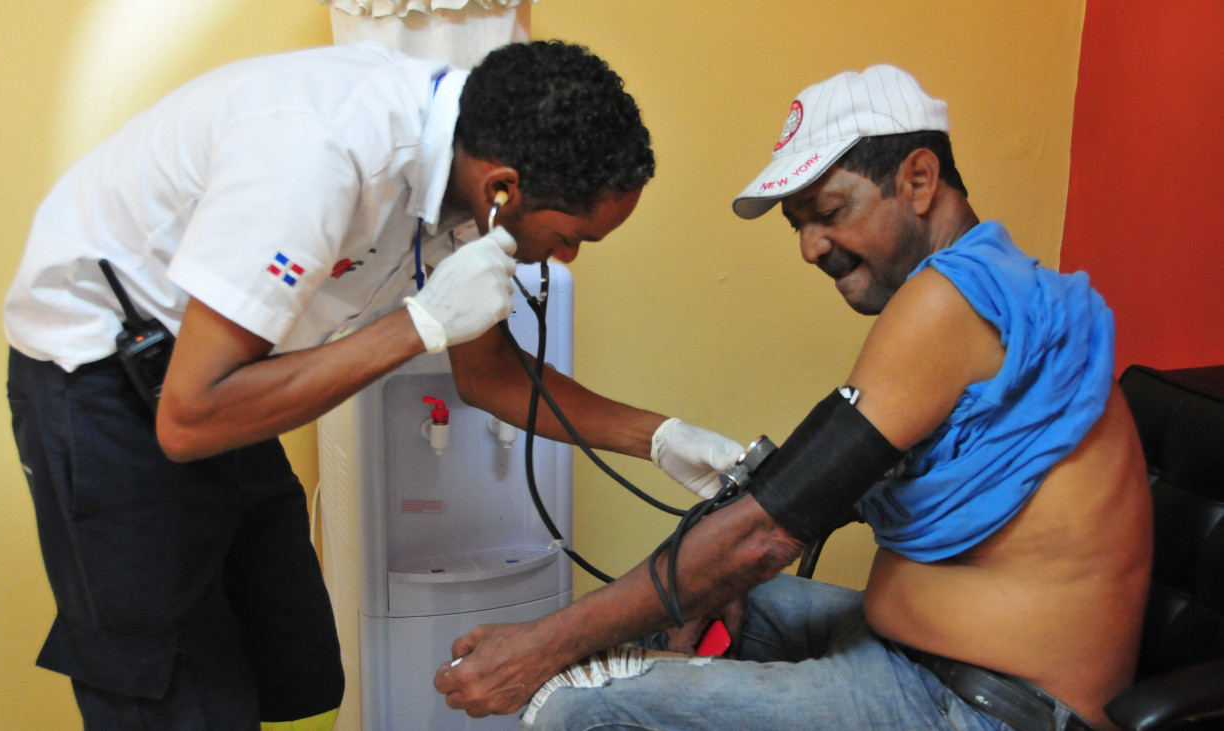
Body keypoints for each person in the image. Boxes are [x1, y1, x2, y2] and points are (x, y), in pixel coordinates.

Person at [4, 39, 744, 730]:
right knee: (176, 695)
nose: (568, 258)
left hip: (229, 377)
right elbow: (188, 419)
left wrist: (659, 437)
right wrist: (418, 324)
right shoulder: (317, 158)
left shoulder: (474, 172)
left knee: (296, 670)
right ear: (504, 189)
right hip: (107, 381)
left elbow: (488, 374)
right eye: (571, 237)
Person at [434, 64, 1154, 731]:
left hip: (985, 708)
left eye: (829, 211)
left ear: (918, 179)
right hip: (911, 656)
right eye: (798, 224)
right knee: (669, 609)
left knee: (579, 706)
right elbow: (813, 491)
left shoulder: (951, 299)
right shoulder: (989, 292)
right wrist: (709, 556)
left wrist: (540, 644)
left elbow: (765, 532)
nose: (811, 247)